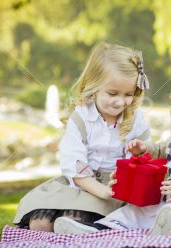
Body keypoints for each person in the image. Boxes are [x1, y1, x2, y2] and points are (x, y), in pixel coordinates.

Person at [54, 79, 171, 236]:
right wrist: (143, 148)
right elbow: (159, 150)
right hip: (169, 203)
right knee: (134, 210)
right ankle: (99, 228)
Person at [12, 42, 151, 232]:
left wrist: (138, 153)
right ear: (94, 86)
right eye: (112, 93)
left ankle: (84, 227)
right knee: (39, 224)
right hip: (82, 182)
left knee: (72, 220)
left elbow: (146, 157)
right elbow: (73, 162)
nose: (120, 101)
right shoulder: (82, 117)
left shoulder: (135, 121)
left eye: (128, 94)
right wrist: (101, 190)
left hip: (115, 189)